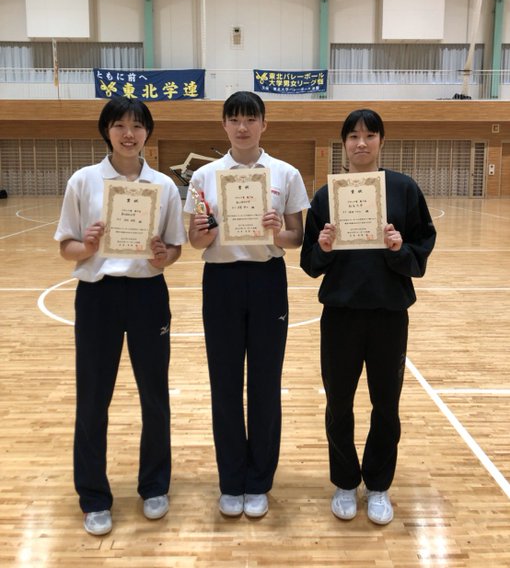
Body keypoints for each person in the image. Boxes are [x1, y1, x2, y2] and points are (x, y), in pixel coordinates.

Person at [54, 96, 187, 536]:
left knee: (155, 395)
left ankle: (155, 486)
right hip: (98, 296)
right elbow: (66, 247)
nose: (128, 134)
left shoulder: (163, 185)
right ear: (106, 131)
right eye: (119, 125)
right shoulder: (83, 180)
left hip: (148, 294)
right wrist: (89, 246)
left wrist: (162, 255)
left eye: (136, 125)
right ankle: (94, 496)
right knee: (93, 398)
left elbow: (174, 248)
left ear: (147, 131)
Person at [300, 108, 436, 525]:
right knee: (339, 403)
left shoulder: (404, 189)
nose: (361, 143)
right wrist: (324, 247)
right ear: (343, 144)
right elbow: (309, 262)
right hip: (340, 315)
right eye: (353, 136)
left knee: (386, 404)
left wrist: (400, 249)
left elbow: (423, 245)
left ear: (381, 141)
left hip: (388, 314)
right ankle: (345, 481)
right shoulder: (326, 196)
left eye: (369, 135)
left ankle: (378, 485)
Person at [184, 91, 310, 518]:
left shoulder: (285, 173)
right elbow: (195, 240)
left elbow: (296, 238)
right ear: (223, 125)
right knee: (223, 383)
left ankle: (258, 481)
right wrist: (202, 233)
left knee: (264, 383)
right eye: (234, 119)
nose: (242, 127)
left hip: (267, 280)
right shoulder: (204, 177)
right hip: (220, 281)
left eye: (250, 119)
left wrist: (277, 233)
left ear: (263, 124)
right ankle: (230, 479)